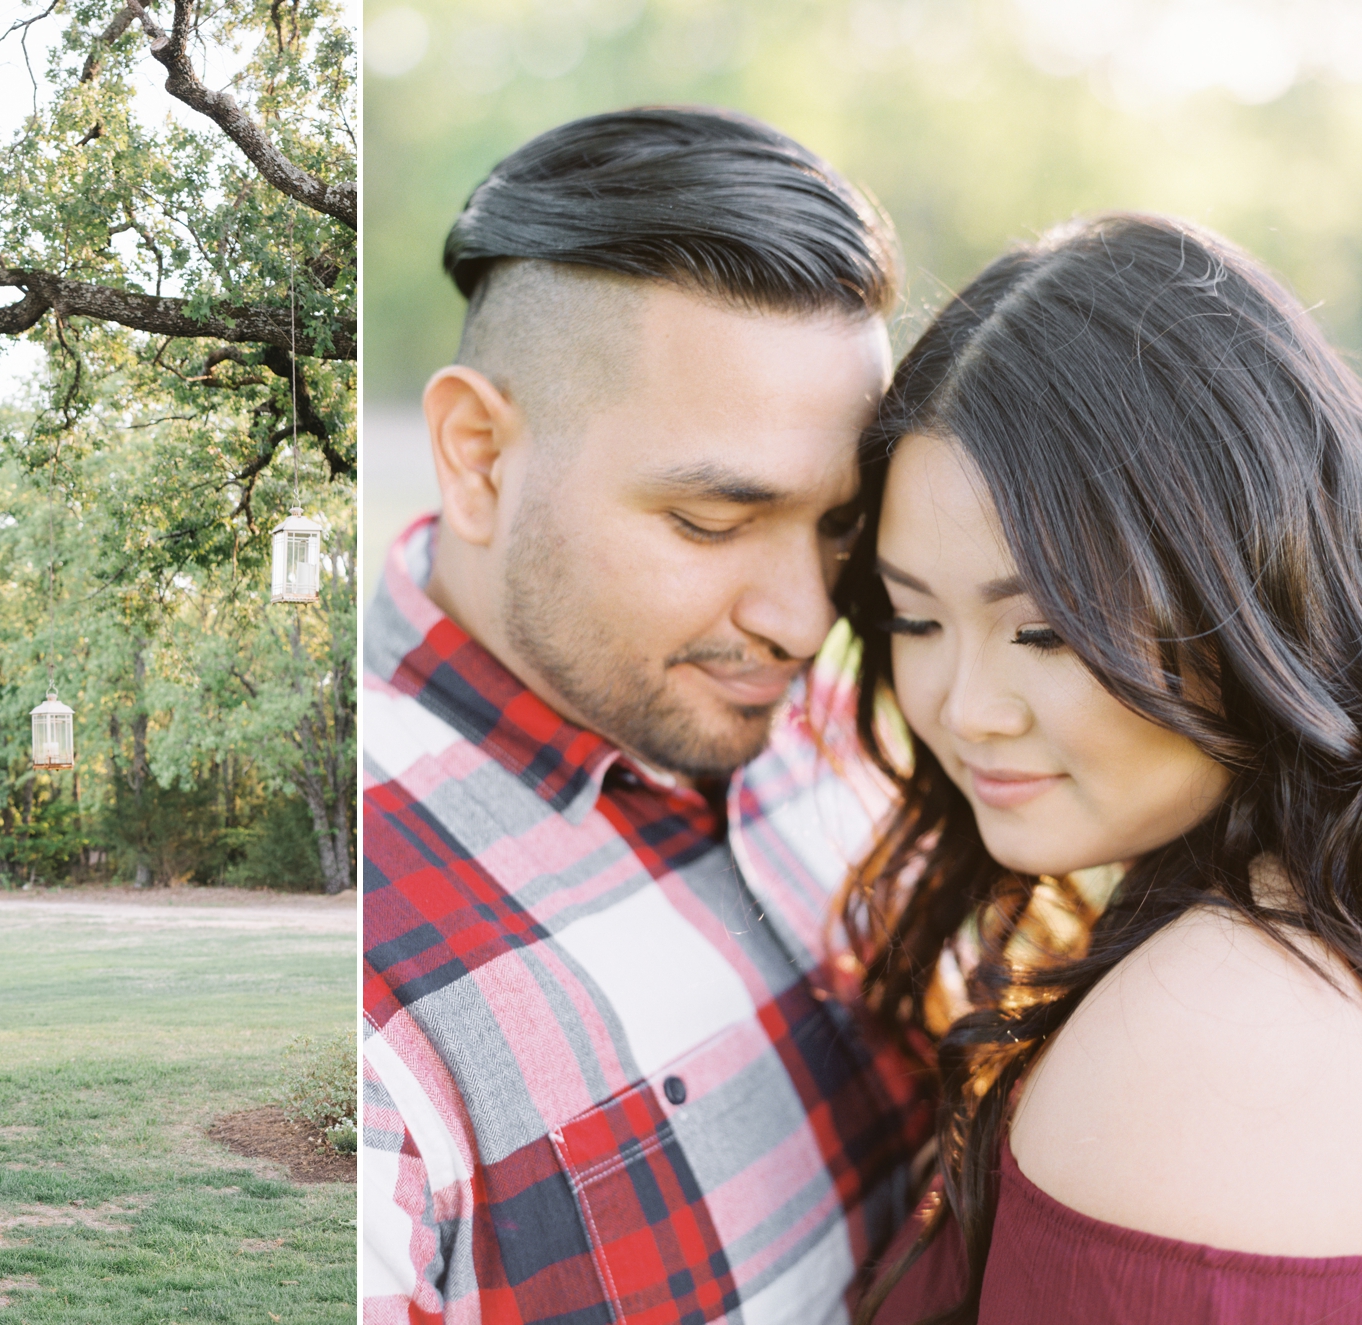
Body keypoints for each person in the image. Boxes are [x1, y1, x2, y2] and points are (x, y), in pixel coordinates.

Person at [361, 107, 931, 1325]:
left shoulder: (842, 704)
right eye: (710, 522)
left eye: (839, 526)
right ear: (474, 457)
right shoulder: (364, 990)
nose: (805, 614)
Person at [838, 213, 1362, 1322]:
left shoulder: (1215, 1028)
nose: (963, 709)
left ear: (1248, 585)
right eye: (909, 618)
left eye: (1043, 632)